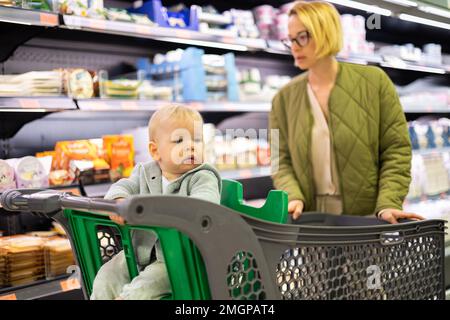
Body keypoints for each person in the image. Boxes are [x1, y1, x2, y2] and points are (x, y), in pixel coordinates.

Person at [270, 1, 424, 224]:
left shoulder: (374, 82)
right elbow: (278, 159)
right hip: (311, 223)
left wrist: (389, 202)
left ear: (325, 32)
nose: (294, 46)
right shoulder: (282, 99)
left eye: (302, 37)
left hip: (367, 221)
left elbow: (396, 149)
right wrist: (292, 196)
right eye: (290, 39)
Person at [90, 104, 222, 300]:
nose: (191, 146)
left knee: (144, 287)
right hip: (137, 252)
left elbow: (205, 205)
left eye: (197, 139)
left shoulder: (202, 176)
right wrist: (119, 202)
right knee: (107, 275)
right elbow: (122, 186)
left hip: (179, 258)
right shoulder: (144, 172)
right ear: (155, 151)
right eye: (179, 140)